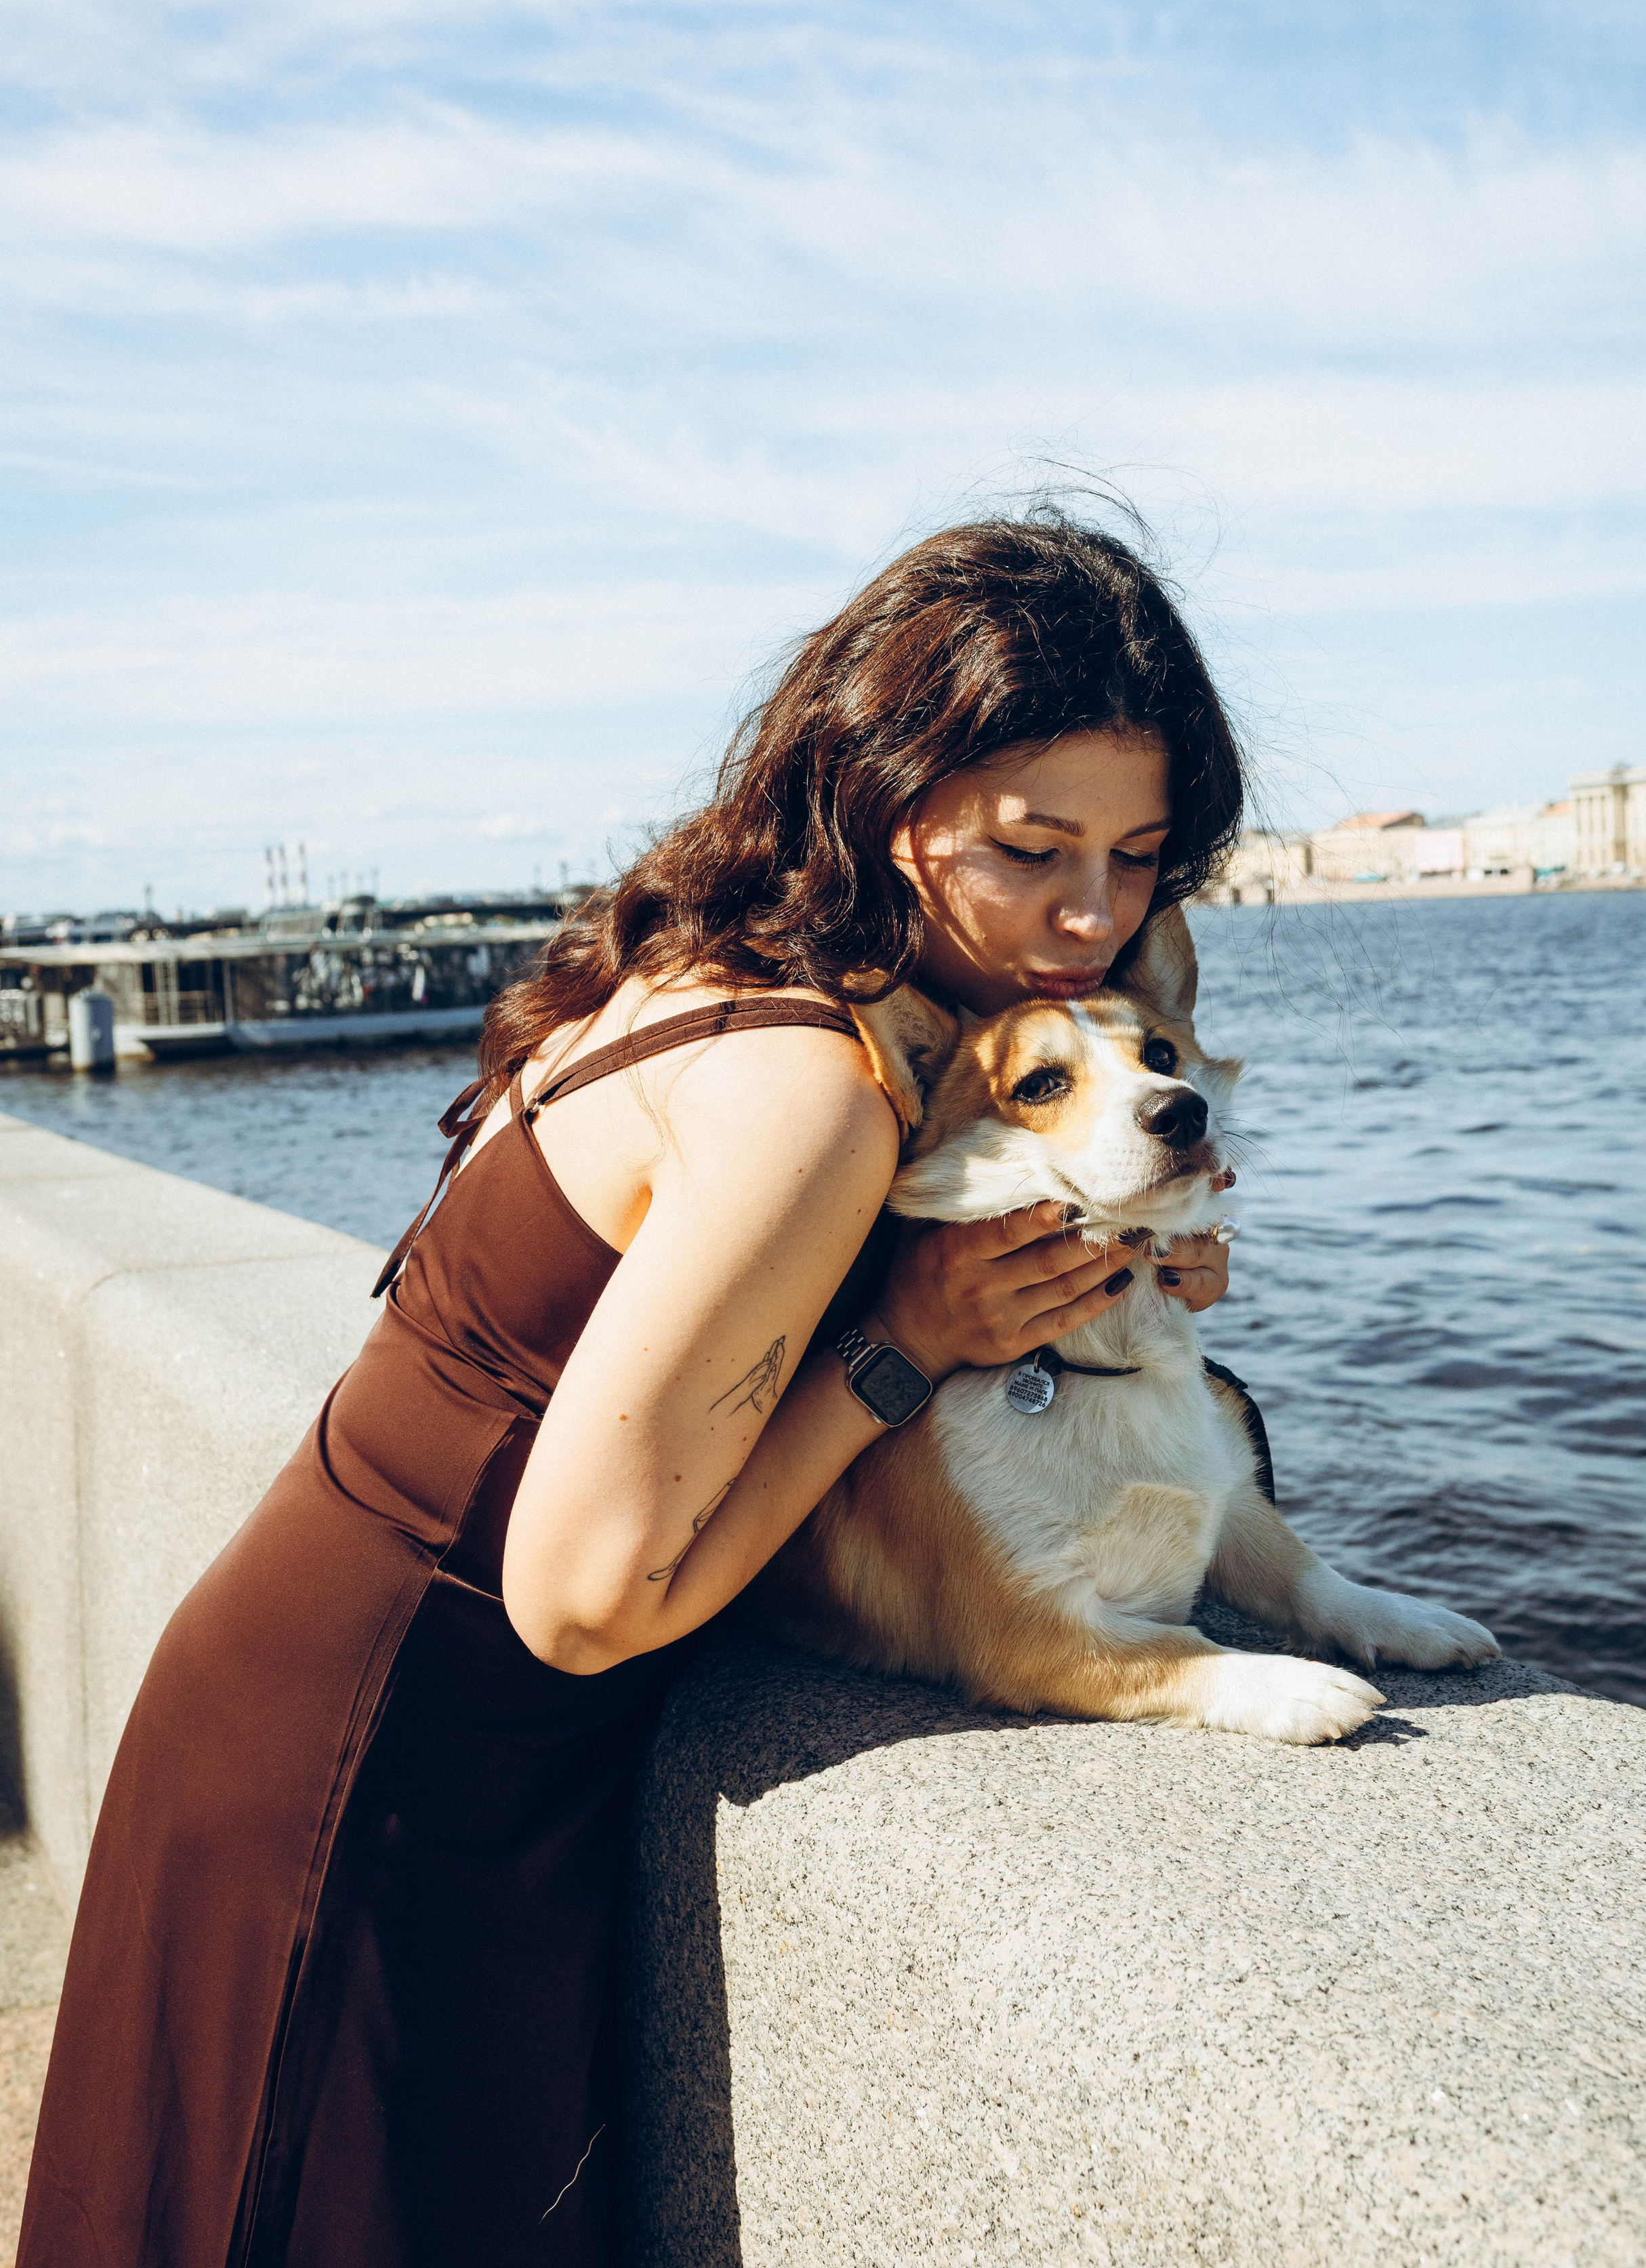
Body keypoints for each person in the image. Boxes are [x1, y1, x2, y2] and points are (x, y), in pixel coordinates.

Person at [19, 512, 1244, 2267]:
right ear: (884, 798)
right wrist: (907, 1344)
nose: (1090, 916)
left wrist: (1102, 1270)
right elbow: (588, 1595)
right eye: (1031, 848)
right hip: (393, 1773)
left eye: (1136, 859)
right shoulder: (807, 1087)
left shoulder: (739, 977)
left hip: (313, 1689)